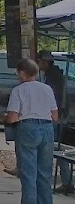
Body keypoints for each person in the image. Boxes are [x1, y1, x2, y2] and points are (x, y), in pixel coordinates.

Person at [5, 57, 57, 204]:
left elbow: (12, 117)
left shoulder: (19, 90)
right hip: (47, 128)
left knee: (28, 173)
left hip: (27, 128)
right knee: (44, 174)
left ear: (22, 72)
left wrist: (4, 117)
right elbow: (55, 115)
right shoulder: (47, 89)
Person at [38, 50, 72, 194]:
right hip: (55, 114)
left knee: (55, 147)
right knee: (53, 147)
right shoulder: (51, 75)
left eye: (39, 61)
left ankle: (67, 181)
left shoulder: (54, 77)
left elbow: (55, 99)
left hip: (56, 115)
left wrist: (55, 115)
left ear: (45, 62)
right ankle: (66, 180)